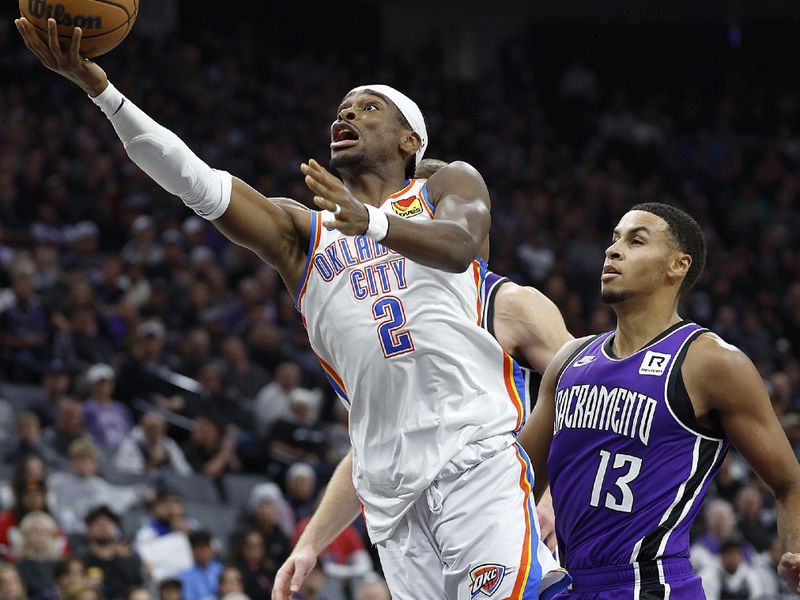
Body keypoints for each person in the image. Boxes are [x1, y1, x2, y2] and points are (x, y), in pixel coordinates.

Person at [15, 22, 566, 599]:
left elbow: (459, 246)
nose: (346, 115)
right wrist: (102, 92)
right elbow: (195, 182)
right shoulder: (304, 234)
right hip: (389, 493)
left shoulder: (444, 187)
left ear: (410, 142)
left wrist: (371, 221)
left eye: (369, 108)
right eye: (342, 109)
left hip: (475, 462)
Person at [519, 203, 800, 597]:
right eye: (614, 239)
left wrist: (795, 549)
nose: (613, 250)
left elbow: (789, 482)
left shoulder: (711, 363)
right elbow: (517, 482)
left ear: (677, 265)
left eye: (635, 241)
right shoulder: (569, 361)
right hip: (570, 583)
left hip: (653, 584)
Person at [80, 506, 146, 600]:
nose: (103, 527)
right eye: (97, 524)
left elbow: (141, 586)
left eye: (108, 523)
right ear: (88, 529)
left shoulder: (130, 558)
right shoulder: (82, 561)